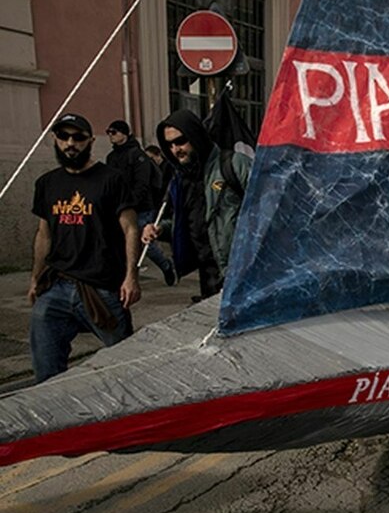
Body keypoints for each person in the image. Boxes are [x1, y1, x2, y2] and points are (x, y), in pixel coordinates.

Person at [28, 113, 141, 383]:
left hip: (102, 288)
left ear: (90, 141)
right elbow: (44, 234)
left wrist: (131, 277)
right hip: (56, 286)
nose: (71, 143)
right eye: (64, 137)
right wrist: (35, 278)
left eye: (78, 137)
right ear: (55, 140)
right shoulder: (47, 183)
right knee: (45, 372)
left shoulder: (111, 179)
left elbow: (130, 229)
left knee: (125, 365)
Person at [142, 109, 251, 299]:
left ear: (196, 136)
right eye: (170, 145)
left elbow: (266, 210)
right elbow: (186, 222)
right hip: (208, 273)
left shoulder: (233, 165)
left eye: (181, 140)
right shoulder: (182, 179)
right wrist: (160, 229)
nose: (176, 149)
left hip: (239, 271)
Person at [106, 120, 176, 286]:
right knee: (123, 243)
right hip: (120, 207)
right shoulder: (112, 157)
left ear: (124, 133)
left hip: (140, 207)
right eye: (109, 132)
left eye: (114, 132)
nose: (111, 136)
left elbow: (142, 183)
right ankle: (127, 275)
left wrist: (133, 203)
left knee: (145, 243)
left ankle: (166, 266)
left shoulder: (137, 155)